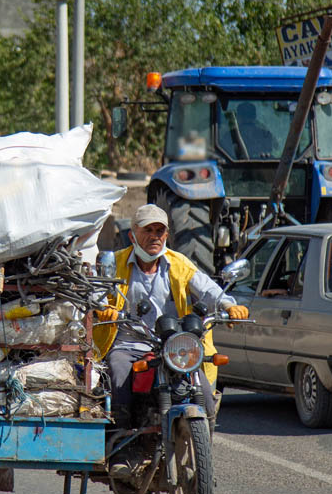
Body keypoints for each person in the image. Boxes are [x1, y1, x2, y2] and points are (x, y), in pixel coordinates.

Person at [93, 204, 249, 478]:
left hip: (174, 345)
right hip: (130, 342)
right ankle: (123, 449)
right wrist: (100, 305)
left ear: (166, 235)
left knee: (202, 388)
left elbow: (207, 288)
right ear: (133, 235)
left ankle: (202, 449)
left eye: (159, 231)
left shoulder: (179, 264)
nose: (154, 236)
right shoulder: (115, 262)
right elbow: (95, 290)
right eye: (148, 231)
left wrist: (228, 304)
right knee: (118, 374)